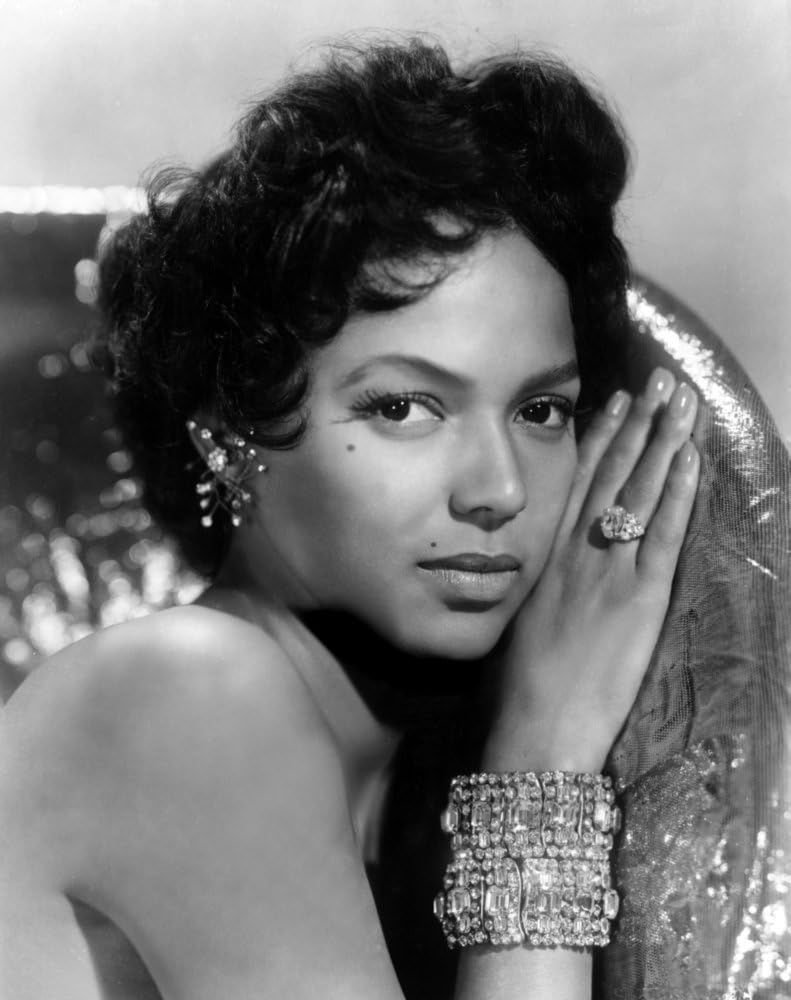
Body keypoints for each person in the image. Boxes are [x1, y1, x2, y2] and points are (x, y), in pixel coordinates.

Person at [0, 38, 701, 999]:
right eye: (403, 407)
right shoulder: (186, 690)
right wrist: (541, 767)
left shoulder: (383, 781)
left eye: (540, 411)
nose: (497, 488)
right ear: (229, 436)